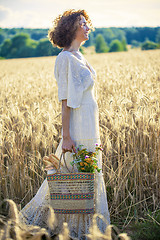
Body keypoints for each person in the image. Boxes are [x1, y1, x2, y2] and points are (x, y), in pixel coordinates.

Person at [19, 9, 110, 239]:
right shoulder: (65, 58)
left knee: (87, 174)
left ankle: (85, 226)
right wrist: (66, 136)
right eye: (83, 24)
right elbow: (66, 101)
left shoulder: (80, 57)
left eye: (87, 23)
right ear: (71, 28)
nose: (88, 27)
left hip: (90, 123)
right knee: (72, 175)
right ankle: (58, 225)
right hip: (78, 126)